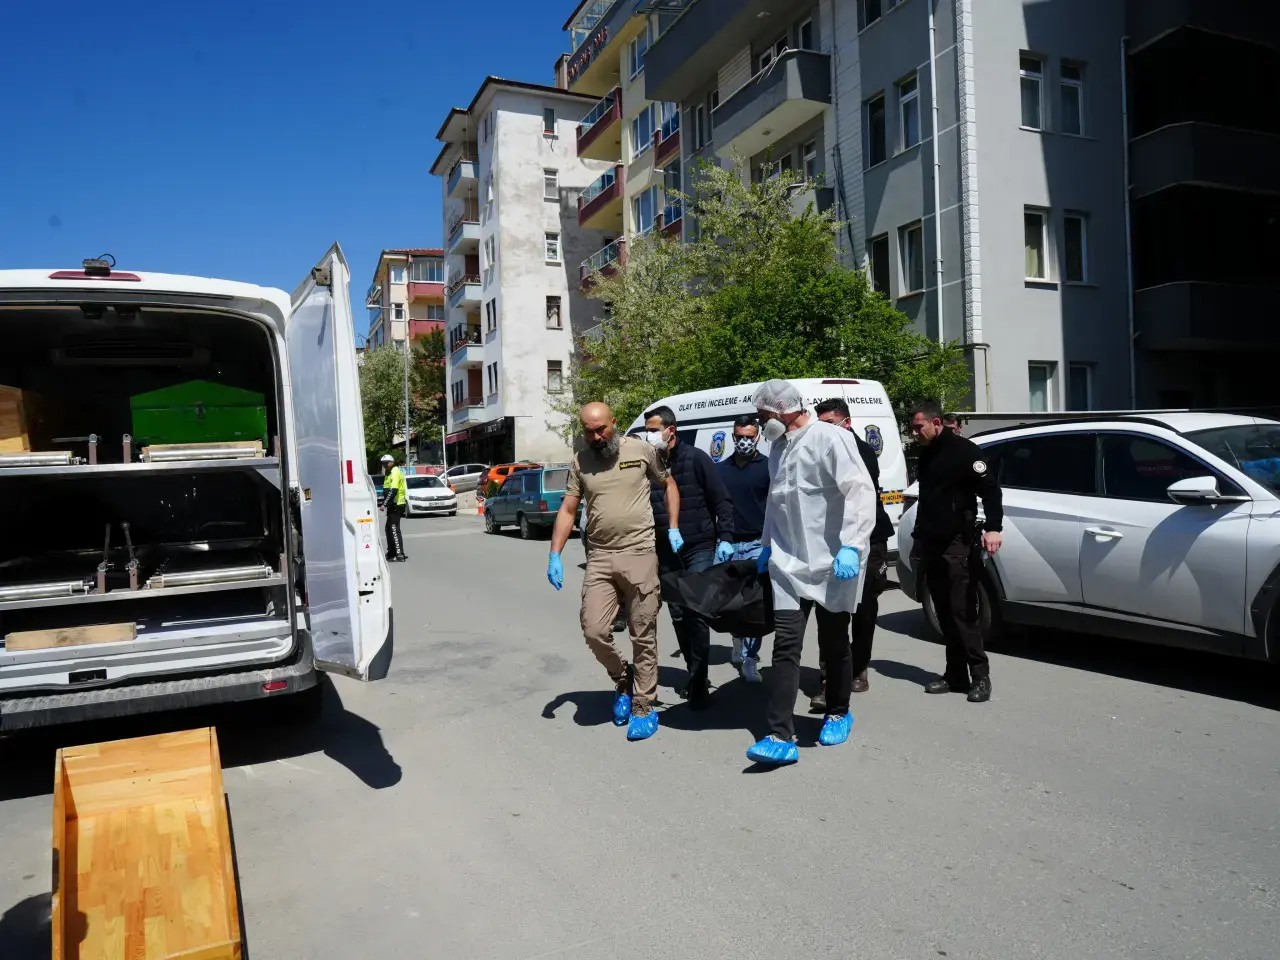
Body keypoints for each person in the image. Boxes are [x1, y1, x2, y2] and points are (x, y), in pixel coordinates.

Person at [745, 380, 877, 766]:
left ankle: (838, 710)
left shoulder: (829, 437)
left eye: (763, 415)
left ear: (784, 408)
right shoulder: (777, 447)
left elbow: (859, 491)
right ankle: (779, 733)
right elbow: (776, 500)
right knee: (786, 644)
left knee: (834, 642)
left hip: (833, 560)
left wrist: (852, 544)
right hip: (788, 562)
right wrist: (767, 544)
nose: (761, 421)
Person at [547, 402, 681, 741]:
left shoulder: (641, 450)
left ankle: (644, 705)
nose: (595, 436)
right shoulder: (580, 461)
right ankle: (623, 678)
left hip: (640, 552)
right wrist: (555, 554)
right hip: (601, 556)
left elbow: (668, 484)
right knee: (593, 629)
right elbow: (568, 508)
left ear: (614, 423)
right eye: (588, 431)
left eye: (601, 429)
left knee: (643, 632)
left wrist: (674, 526)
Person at [909, 401, 1003, 703]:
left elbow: (991, 490)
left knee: (963, 611)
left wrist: (993, 528)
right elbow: (927, 499)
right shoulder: (926, 455)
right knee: (944, 612)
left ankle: (980, 675)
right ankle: (955, 674)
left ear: (936, 422)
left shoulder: (965, 452)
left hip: (957, 544)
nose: (914, 432)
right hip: (932, 543)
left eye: (918, 426)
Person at [643, 405, 735, 709]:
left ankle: (698, 680)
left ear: (671, 430)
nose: (649, 434)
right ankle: (692, 671)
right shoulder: (649, 461)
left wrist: (727, 537)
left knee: (696, 611)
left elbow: (720, 498)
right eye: (647, 429)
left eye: (654, 428)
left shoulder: (696, 458)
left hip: (698, 544)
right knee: (679, 614)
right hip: (665, 549)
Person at [812, 397, 894, 703]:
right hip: (831, 541)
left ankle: (858, 668)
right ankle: (829, 678)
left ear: (846, 422)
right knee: (830, 610)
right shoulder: (822, 449)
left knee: (863, 608)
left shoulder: (860, 450)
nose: (825, 432)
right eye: (820, 426)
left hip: (868, 538)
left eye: (830, 424)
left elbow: (857, 499)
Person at [715, 414, 771, 683]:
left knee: (754, 606)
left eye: (750, 436)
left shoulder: (768, 467)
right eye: (740, 437)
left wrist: (771, 545)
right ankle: (737, 641)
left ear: (758, 436)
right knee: (731, 605)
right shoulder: (722, 470)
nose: (745, 441)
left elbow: (776, 509)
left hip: (757, 544)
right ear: (733, 436)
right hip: (728, 545)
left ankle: (751, 659)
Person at [379, 454, 408, 562]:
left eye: (387, 462)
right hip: (392, 505)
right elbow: (387, 490)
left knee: (394, 529)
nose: (385, 465)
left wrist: (384, 504)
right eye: (383, 463)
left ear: (392, 462)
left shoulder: (395, 472)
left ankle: (400, 554)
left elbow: (393, 490)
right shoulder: (388, 473)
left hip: (397, 504)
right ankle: (391, 552)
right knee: (388, 528)